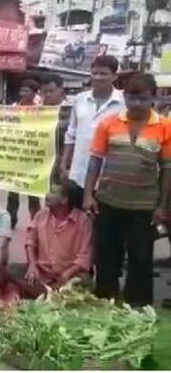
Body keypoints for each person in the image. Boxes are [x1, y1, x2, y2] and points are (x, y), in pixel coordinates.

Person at [83, 73, 170, 307]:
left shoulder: (165, 127)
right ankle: (105, 300)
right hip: (108, 200)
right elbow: (95, 161)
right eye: (132, 98)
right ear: (126, 97)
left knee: (141, 258)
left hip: (144, 205)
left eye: (142, 99)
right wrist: (88, 195)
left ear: (153, 97)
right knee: (107, 255)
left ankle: (138, 306)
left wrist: (162, 206)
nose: (136, 104)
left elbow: (167, 169)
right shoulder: (109, 123)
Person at [7, 181, 92, 298]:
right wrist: (32, 265)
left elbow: (85, 256)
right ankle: (50, 293)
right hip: (41, 272)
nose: (47, 195)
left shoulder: (83, 221)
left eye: (52, 192)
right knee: (10, 270)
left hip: (69, 275)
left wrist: (66, 275)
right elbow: (30, 242)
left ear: (64, 200)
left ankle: (43, 293)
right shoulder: (41, 215)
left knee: (83, 281)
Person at [61, 56, 126, 208]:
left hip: (108, 176)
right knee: (76, 224)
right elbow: (71, 134)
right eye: (94, 73)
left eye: (103, 74)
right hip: (78, 172)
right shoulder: (80, 99)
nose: (97, 77)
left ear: (114, 76)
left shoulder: (124, 102)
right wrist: (64, 163)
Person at [7, 78, 42, 228]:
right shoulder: (14, 107)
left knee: (33, 192)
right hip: (16, 154)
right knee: (13, 191)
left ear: (35, 94)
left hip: (32, 156)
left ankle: (35, 221)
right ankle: (11, 219)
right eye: (22, 90)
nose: (23, 93)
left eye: (27, 91)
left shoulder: (41, 110)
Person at [40, 74, 71, 185]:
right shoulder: (37, 112)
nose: (47, 95)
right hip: (43, 164)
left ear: (60, 89)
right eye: (44, 92)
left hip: (64, 163)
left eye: (51, 91)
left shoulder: (72, 109)